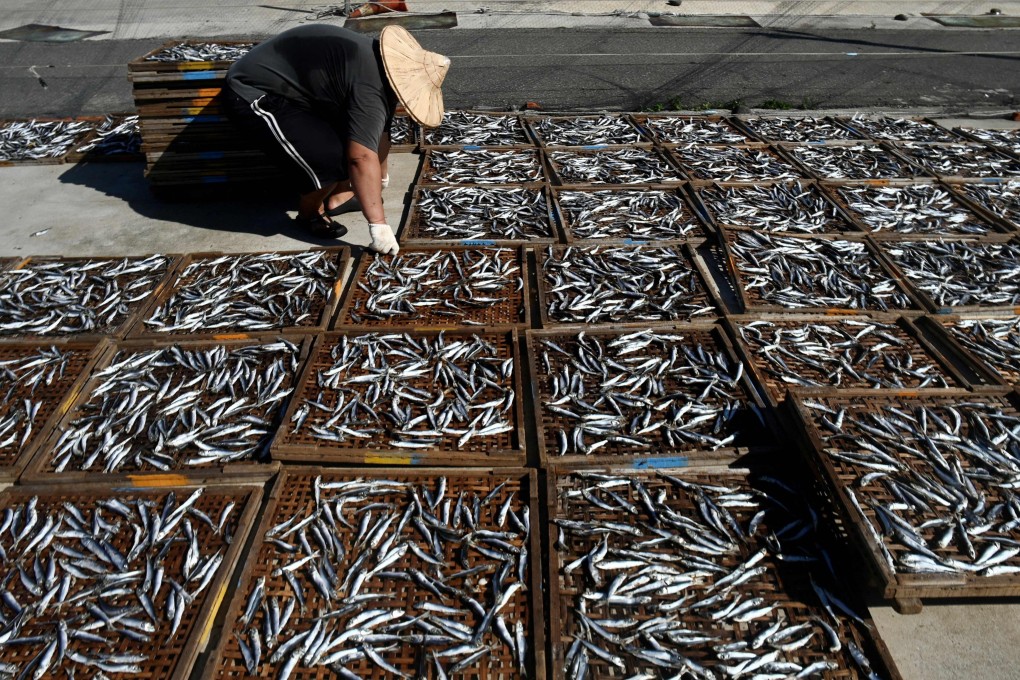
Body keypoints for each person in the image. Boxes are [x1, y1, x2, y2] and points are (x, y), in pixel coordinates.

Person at [224, 24, 450, 254]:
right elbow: (360, 157)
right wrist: (379, 226)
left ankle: (339, 197)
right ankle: (309, 214)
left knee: (353, 144)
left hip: (295, 89)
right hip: (252, 91)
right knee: (333, 159)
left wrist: (381, 180)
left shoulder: (379, 65)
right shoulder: (370, 87)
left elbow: (380, 133)